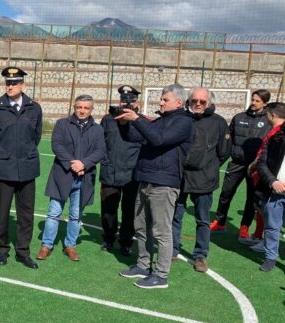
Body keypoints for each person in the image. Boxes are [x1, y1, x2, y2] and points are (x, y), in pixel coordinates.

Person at [116, 84, 193, 289]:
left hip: (164, 183)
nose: (160, 102)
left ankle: (161, 275)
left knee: (161, 231)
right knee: (141, 227)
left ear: (179, 102)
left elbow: (159, 140)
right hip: (145, 178)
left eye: (165, 100)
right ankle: (143, 265)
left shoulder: (184, 122)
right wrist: (124, 123)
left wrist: (138, 119)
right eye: (161, 98)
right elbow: (134, 137)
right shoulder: (161, 120)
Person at [0, 67, 43, 269]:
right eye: (7, 83)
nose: (10, 86)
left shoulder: (34, 108)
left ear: (23, 85)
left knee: (26, 214)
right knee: (1, 213)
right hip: (3, 169)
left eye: (14, 83)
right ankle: (2, 250)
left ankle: (23, 252)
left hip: (27, 168)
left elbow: (36, 136)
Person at [37, 95, 105, 262]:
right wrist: (72, 164)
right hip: (62, 175)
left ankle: (70, 246)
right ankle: (46, 245)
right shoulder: (62, 124)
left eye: (86, 108)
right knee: (54, 213)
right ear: (74, 107)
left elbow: (100, 151)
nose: (82, 110)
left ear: (91, 110)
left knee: (76, 215)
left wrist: (84, 164)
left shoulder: (97, 129)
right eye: (79, 107)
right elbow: (57, 145)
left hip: (84, 178)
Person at [171, 88, 230, 273]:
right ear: (188, 101)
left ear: (209, 103)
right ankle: (172, 250)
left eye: (202, 101)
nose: (197, 103)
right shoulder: (180, 118)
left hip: (204, 179)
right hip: (178, 177)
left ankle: (200, 255)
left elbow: (224, 152)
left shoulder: (219, 122)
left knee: (203, 220)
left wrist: (207, 165)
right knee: (174, 217)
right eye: (194, 100)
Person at [210, 89, 271, 240]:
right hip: (236, 163)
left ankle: (244, 227)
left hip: (255, 167)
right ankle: (220, 222)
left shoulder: (269, 121)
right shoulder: (239, 117)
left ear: (265, 103)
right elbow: (228, 140)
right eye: (253, 99)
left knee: (251, 198)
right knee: (226, 193)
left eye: (257, 101)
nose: (253, 103)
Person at [99, 85, 143, 256]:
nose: (126, 103)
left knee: (129, 210)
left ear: (136, 102)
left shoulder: (141, 121)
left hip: (132, 174)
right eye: (124, 100)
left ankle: (126, 242)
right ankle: (108, 238)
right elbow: (100, 143)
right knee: (108, 209)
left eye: (130, 100)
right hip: (110, 171)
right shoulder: (108, 119)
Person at [253, 107, 285, 272]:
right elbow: (262, 163)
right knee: (272, 226)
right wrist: (272, 181)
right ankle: (270, 258)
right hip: (275, 191)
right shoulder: (276, 138)